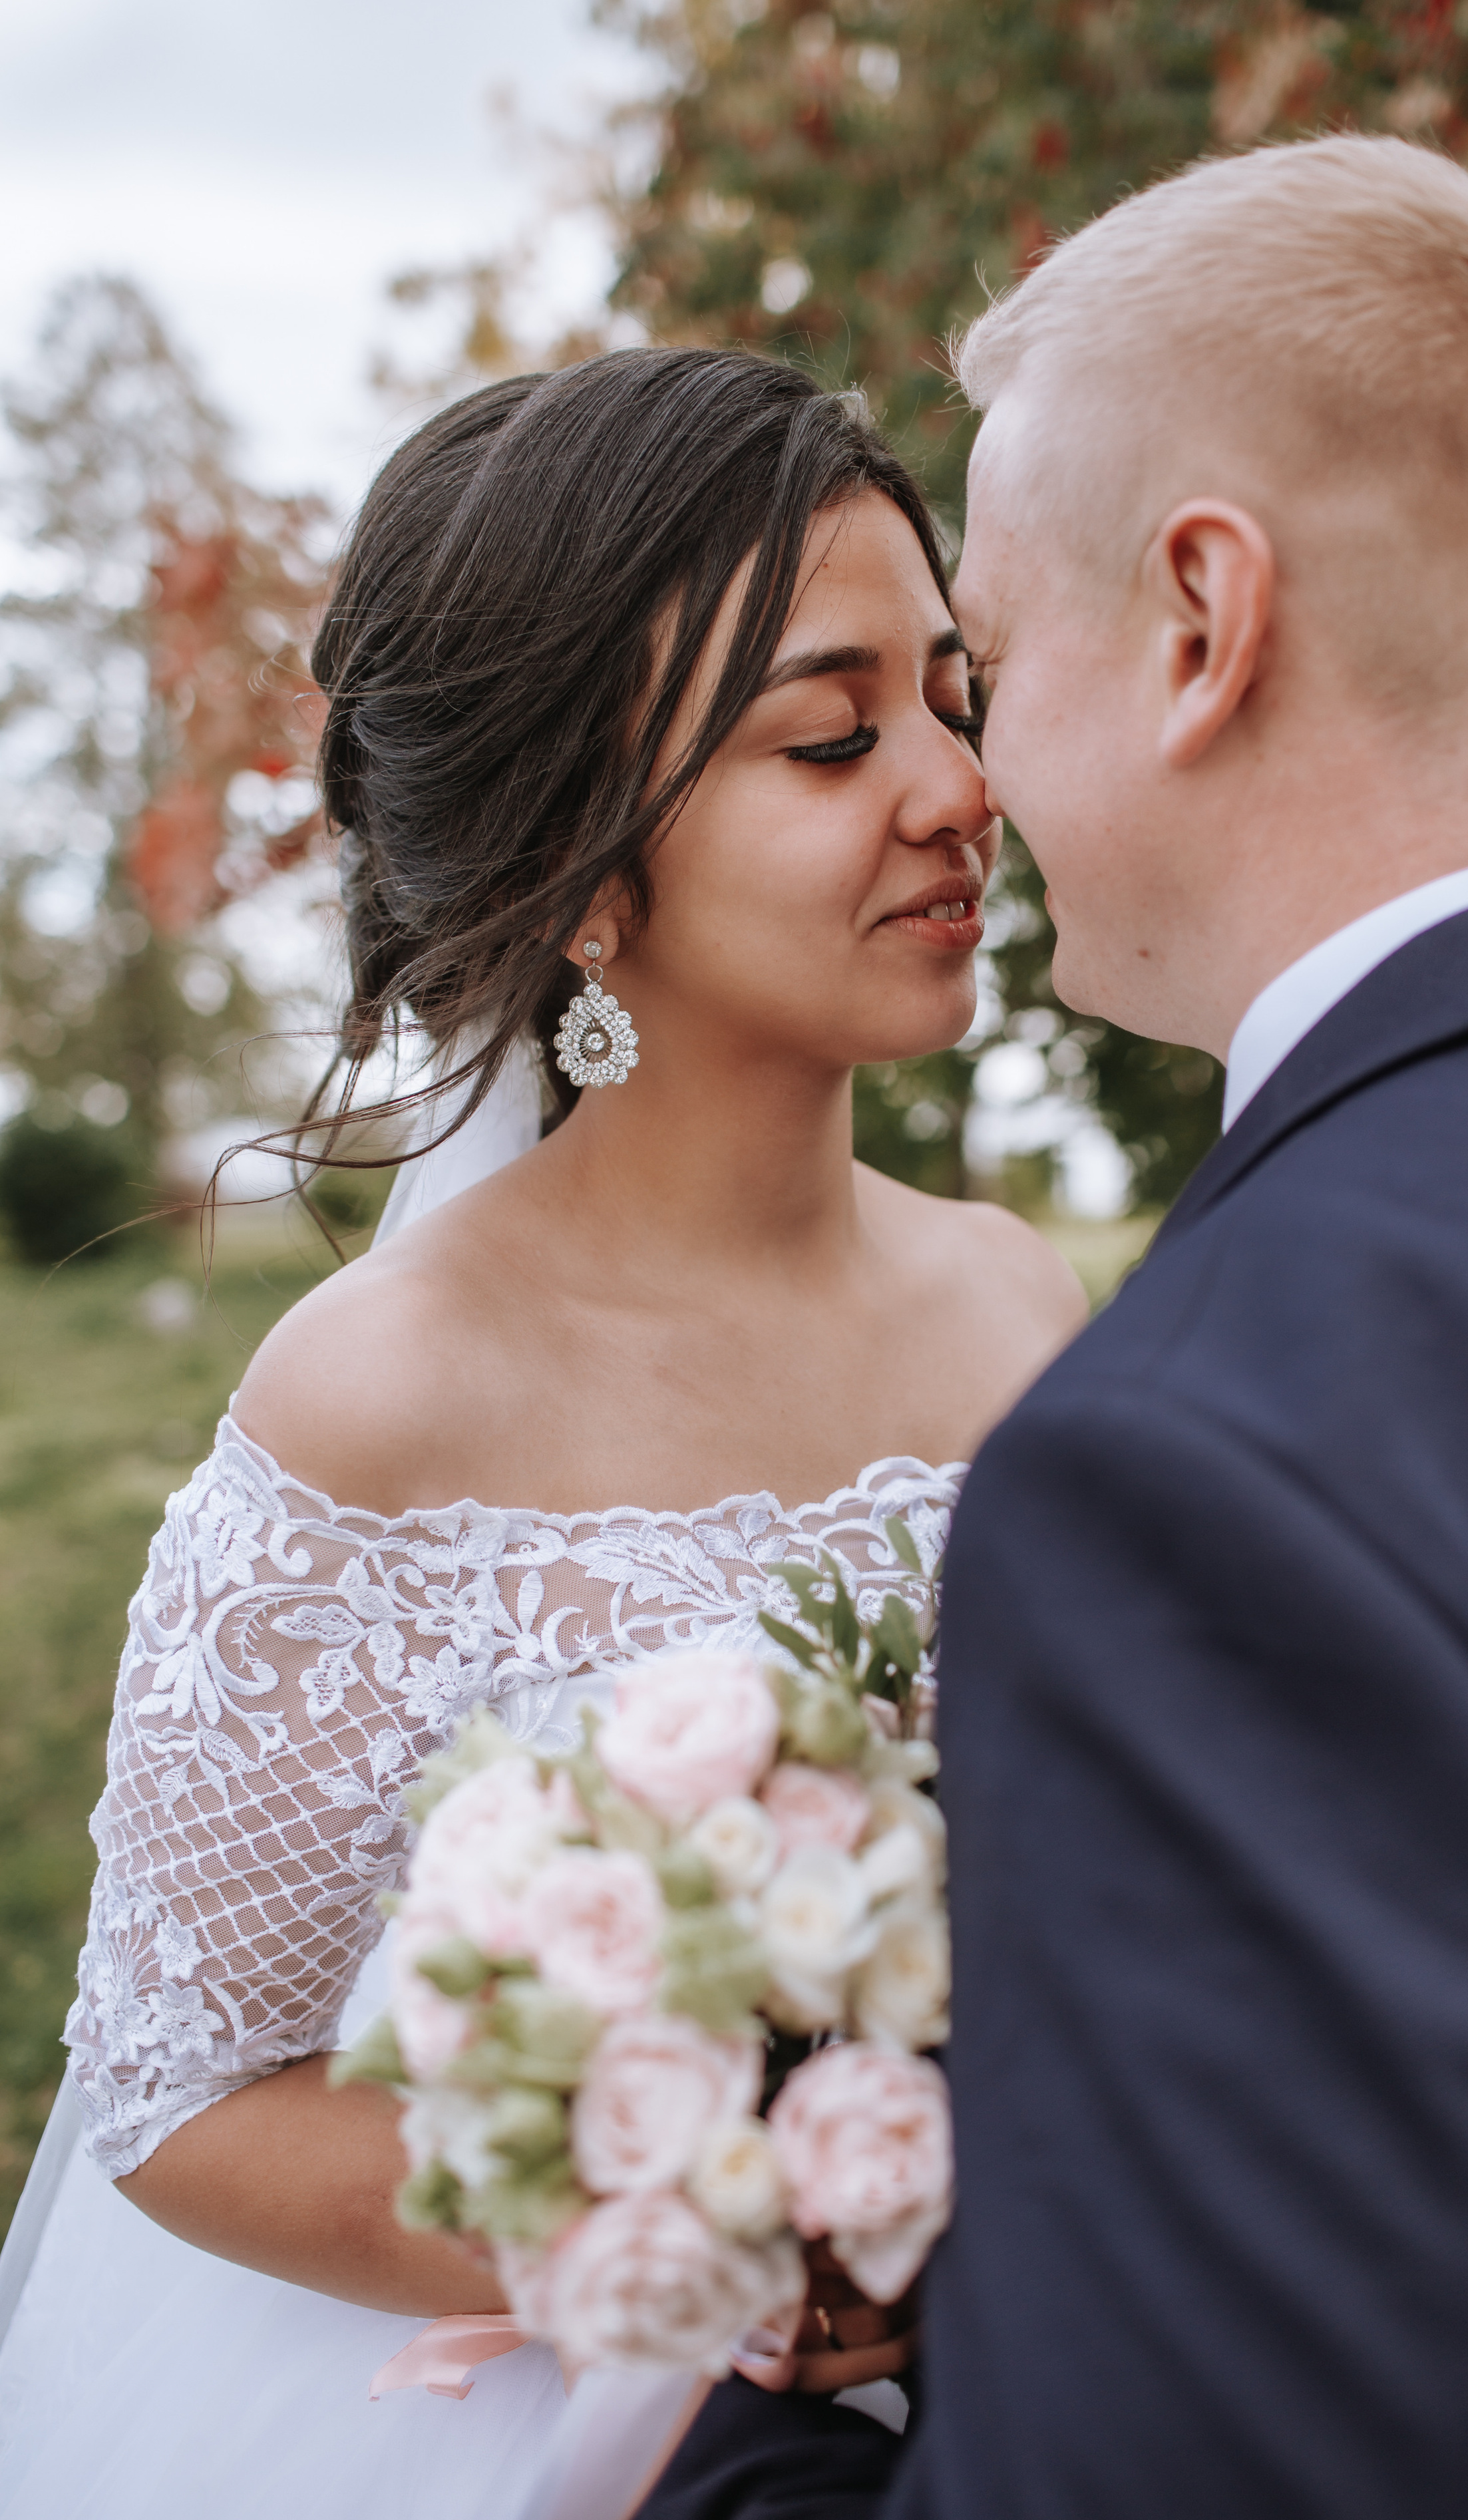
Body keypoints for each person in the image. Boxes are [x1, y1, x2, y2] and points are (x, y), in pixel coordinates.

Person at [640, 134, 1468, 2520]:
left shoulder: (1220, 1465)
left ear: (1205, 620)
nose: (975, 786)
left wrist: (726, 2454)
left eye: (991, 672)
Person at [0, 347, 1083, 2520]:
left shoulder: (1019, 1304)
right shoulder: (389, 1393)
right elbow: (177, 2088)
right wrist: (695, 2244)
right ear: (589, 871)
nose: (959, 786)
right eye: (833, 732)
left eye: (954, 695)